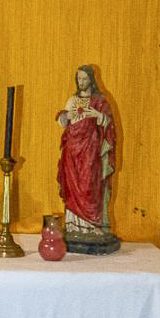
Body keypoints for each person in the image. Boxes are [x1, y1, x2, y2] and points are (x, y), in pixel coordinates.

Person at [55, 64, 119, 252]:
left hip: (90, 150)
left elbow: (109, 125)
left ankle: (93, 226)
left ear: (91, 79)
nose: (81, 82)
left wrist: (98, 115)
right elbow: (64, 120)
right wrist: (64, 117)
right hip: (72, 149)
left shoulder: (100, 101)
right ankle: (74, 226)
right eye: (79, 78)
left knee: (89, 184)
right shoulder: (73, 99)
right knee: (72, 184)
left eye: (84, 78)